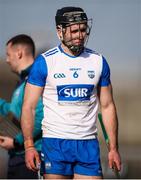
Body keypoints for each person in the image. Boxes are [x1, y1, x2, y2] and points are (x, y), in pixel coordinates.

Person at [21, 7, 121, 179]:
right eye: (74, 30)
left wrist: (113, 149)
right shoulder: (44, 62)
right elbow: (28, 107)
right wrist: (29, 146)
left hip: (88, 145)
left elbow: (107, 106)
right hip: (55, 144)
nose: (79, 35)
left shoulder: (98, 61)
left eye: (83, 29)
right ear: (60, 31)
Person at [0, 34, 43, 179]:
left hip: (31, 158)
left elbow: (39, 117)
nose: (6, 59)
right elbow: (15, 114)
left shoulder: (36, 78)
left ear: (19, 53)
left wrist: (16, 141)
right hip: (17, 157)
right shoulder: (22, 81)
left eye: (8, 54)